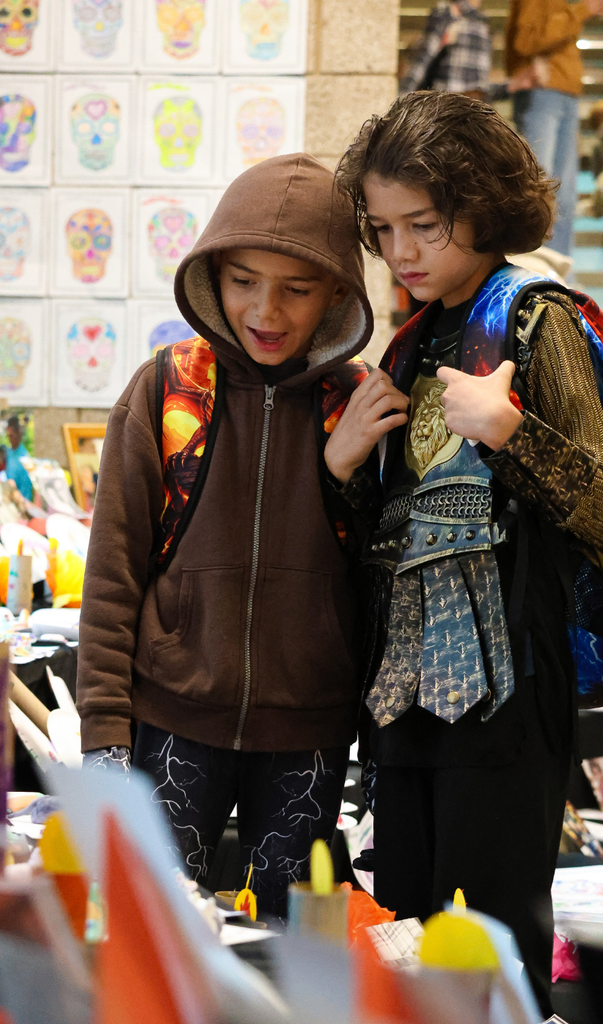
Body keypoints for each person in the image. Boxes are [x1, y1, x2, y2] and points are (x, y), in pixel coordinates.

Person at [331, 90, 603, 1014]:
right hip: (402, 694)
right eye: (382, 229)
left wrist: (515, 435)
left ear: (482, 206)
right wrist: (340, 468)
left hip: (509, 690)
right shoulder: (408, 342)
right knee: (404, 931)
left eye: (424, 224)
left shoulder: (538, 319)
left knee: (494, 944)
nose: (400, 251)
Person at [76, 154, 374, 916]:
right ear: (212, 275)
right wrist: (105, 734)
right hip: (173, 719)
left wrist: (340, 476)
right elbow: (112, 574)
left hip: (307, 732)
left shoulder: (360, 407)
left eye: (296, 288)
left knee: (291, 945)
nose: (265, 310)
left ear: (338, 291)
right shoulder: (166, 389)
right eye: (243, 280)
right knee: (158, 934)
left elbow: (382, 584)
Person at [506, 0, 603, 257]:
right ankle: (535, 275)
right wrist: (583, 10)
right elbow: (526, 41)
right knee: (539, 191)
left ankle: (560, 280)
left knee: (564, 195)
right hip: (543, 92)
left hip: (563, 92)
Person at [400, 0, 491, 98]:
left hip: (464, 101)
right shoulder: (450, 15)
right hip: (450, 101)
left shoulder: (479, 21)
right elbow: (423, 59)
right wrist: (403, 94)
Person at [2, 415, 33, 501]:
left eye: (12, 436)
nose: (10, 439)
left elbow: (25, 490)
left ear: (18, 435)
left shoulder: (25, 459)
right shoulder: (8, 453)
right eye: (9, 436)